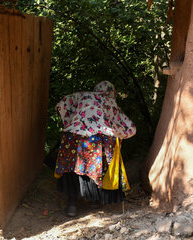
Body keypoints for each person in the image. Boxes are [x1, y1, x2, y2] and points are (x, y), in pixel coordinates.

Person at [54, 81, 136, 217]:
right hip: (95, 140)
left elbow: (61, 105)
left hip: (72, 136)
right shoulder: (109, 101)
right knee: (94, 168)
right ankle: (93, 201)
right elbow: (128, 126)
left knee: (72, 169)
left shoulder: (81, 96)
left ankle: (71, 205)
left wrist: (70, 122)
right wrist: (118, 133)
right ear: (111, 92)